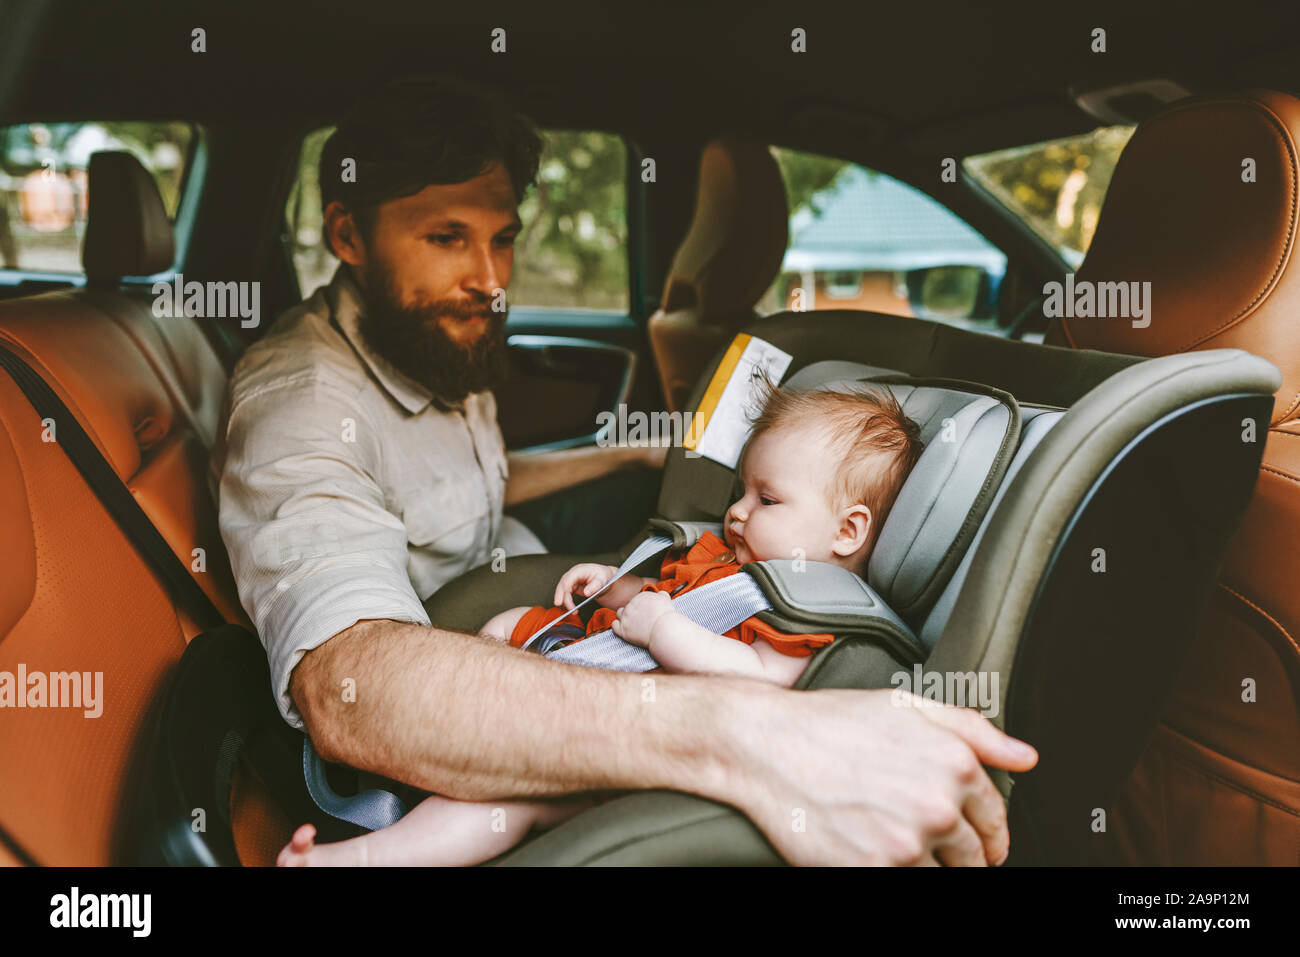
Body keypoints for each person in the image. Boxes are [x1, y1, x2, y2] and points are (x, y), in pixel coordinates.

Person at [216, 75, 1038, 869]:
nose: (492, 281)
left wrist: (644, 451)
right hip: (436, 694)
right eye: (446, 238)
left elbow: (478, 484)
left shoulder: (429, 341)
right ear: (349, 235)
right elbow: (350, 685)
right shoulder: (302, 408)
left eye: (502, 238)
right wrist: (754, 733)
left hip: (510, 581)